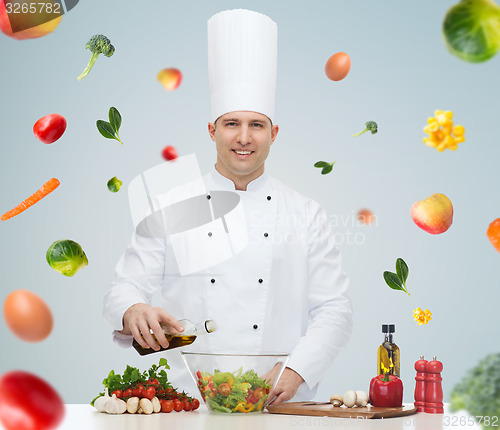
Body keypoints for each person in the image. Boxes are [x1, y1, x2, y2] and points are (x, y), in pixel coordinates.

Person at [103, 9, 352, 405]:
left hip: (275, 400)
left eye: (256, 125)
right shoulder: (171, 204)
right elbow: (125, 285)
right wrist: (132, 308)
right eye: (231, 123)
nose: (244, 137)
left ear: (274, 134)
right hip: (187, 402)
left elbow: (334, 308)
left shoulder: (306, 213)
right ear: (211, 130)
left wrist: (298, 367)